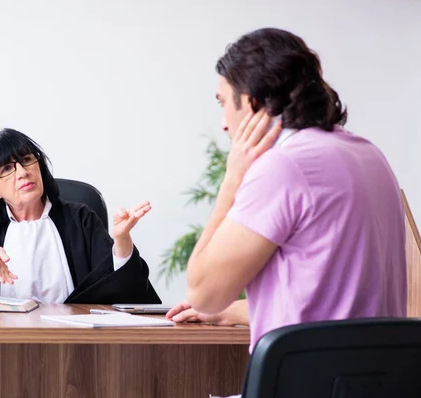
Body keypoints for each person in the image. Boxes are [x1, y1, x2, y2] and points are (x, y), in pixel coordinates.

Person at [167, 27, 406, 358]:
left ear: (251, 102)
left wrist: (232, 181)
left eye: (223, 104)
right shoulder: (370, 155)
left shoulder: (284, 168)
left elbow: (202, 293)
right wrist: (232, 312)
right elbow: (337, 306)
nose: (223, 123)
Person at [0, 128, 161, 304]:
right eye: (6, 169)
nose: (22, 172)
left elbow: (126, 288)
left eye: (26, 160)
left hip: (74, 350)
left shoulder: (80, 219)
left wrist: (121, 240)